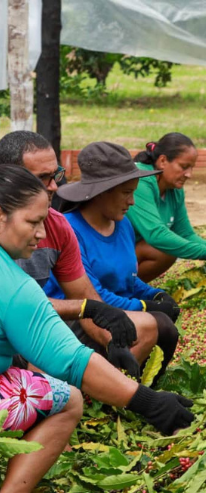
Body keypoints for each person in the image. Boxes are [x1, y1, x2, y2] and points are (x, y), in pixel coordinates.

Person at [0, 165, 194, 493]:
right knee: (66, 397)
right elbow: (71, 361)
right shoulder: (13, 285)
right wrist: (149, 402)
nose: (41, 234)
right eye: (33, 222)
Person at [0, 131, 144, 377]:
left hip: (39, 325)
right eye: (43, 178)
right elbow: (25, 309)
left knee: (148, 326)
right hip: (23, 331)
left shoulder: (59, 225)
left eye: (56, 175)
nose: (54, 186)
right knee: (61, 392)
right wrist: (90, 308)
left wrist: (112, 340)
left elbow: (84, 294)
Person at [47, 142, 181, 384]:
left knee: (164, 326)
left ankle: (132, 385)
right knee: (158, 324)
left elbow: (128, 278)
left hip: (115, 315)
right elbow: (92, 296)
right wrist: (144, 306)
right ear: (102, 192)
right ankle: (109, 391)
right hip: (78, 321)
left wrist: (156, 294)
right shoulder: (70, 229)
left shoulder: (123, 224)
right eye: (126, 193)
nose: (132, 202)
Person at [127, 133, 206, 282]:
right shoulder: (140, 181)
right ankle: (119, 290)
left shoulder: (174, 188)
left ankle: (128, 288)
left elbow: (184, 234)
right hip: (104, 255)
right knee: (164, 249)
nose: (189, 174)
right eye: (184, 167)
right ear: (163, 161)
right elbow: (156, 235)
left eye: (191, 168)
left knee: (170, 244)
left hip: (129, 252)